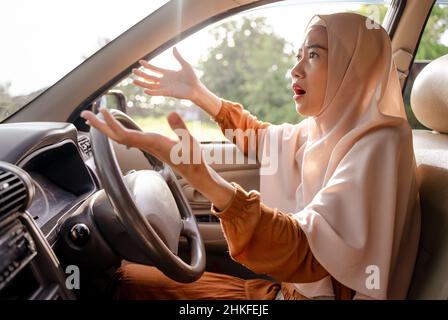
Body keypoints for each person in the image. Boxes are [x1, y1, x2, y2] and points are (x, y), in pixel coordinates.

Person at [81, 12, 421, 300]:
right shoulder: (324, 130)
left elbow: (309, 252)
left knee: (120, 285)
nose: (295, 69)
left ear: (354, 67)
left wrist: (207, 180)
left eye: (313, 55)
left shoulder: (381, 142)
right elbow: (261, 139)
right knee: (126, 279)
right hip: (285, 290)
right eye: (298, 55)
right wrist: (198, 93)